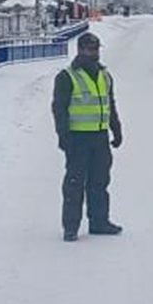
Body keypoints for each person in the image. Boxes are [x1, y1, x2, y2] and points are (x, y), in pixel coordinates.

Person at [52, 32, 124, 242]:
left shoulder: (105, 75)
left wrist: (116, 129)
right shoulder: (67, 76)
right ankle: (71, 227)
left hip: (100, 138)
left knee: (100, 182)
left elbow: (110, 104)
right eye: (91, 49)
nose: (95, 53)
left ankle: (99, 222)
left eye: (96, 49)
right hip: (78, 138)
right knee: (75, 183)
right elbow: (59, 109)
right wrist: (63, 136)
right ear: (81, 50)